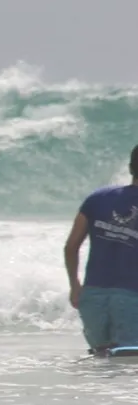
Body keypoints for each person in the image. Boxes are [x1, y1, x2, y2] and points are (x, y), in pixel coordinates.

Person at [64, 144, 138, 355]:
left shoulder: (98, 197)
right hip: (132, 297)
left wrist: (75, 286)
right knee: (128, 361)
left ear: (130, 168)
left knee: (102, 358)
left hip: (93, 295)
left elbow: (71, 246)